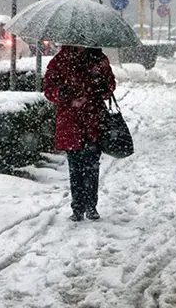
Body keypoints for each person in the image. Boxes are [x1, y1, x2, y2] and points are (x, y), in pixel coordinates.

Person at [43, 45, 116, 222]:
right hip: (71, 122)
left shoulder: (99, 59)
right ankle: (78, 208)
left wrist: (101, 86)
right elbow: (48, 88)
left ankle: (91, 206)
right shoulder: (62, 60)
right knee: (75, 168)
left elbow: (110, 85)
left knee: (91, 166)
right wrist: (61, 92)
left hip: (93, 121)